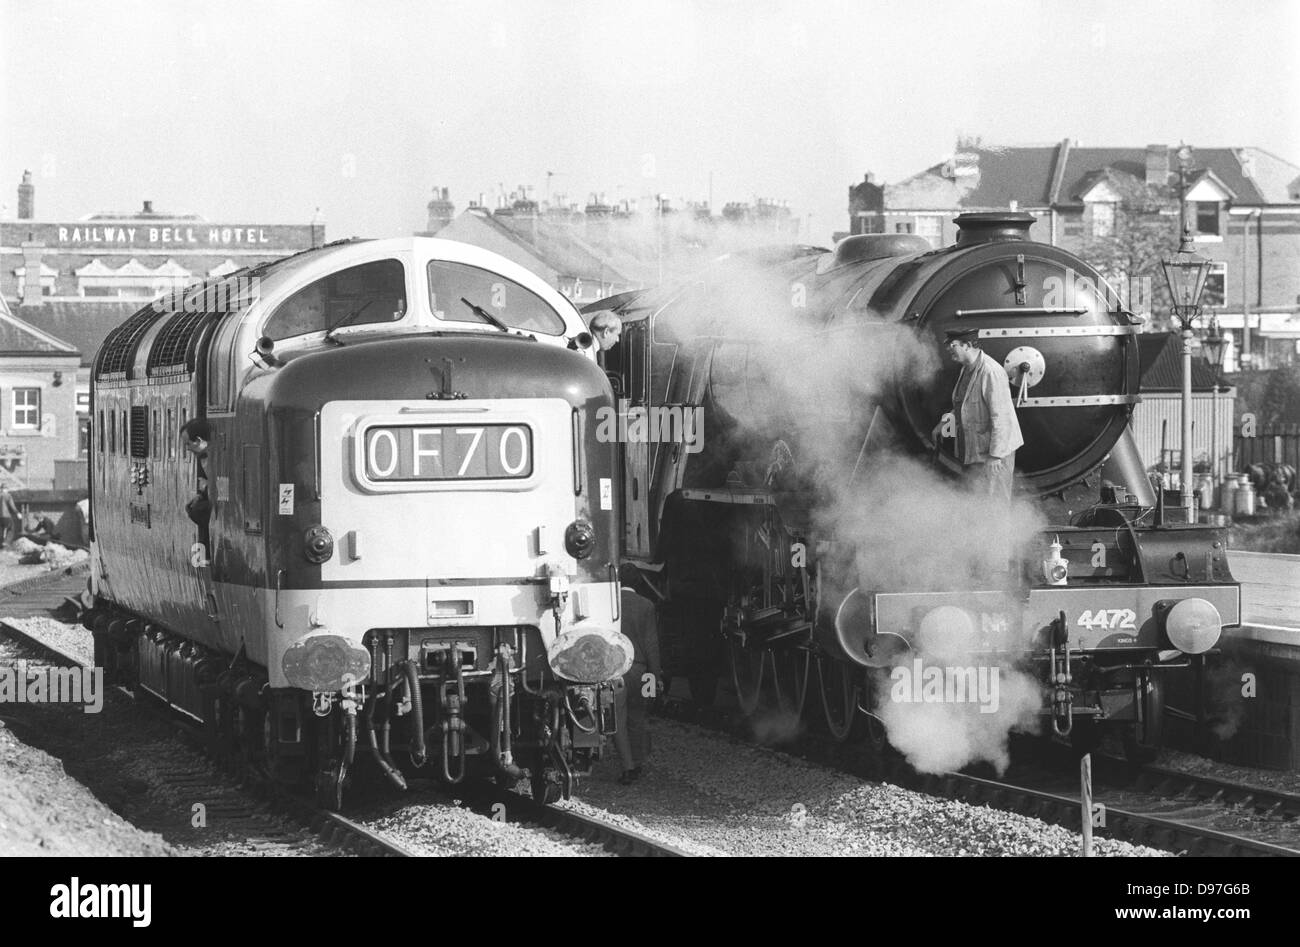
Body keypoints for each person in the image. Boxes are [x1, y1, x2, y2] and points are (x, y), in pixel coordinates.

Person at [934, 327, 1024, 499]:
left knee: (995, 505)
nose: (949, 349)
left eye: (952, 345)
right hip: (975, 450)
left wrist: (995, 456)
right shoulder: (966, 368)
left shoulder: (991, 372)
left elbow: (1002, 418)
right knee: (978, 503)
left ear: (967, 345)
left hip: (994, 454)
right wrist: (944, 423)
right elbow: (964, 405)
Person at [612, 563, 663, 785]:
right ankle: (640, 762)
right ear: (638, 583)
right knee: (640, 717)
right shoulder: (647, 605)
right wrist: (656, 678)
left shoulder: (608, 605)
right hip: (642, 672)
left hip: (615, 673)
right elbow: (652, 644)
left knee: (618, 721)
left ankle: (627, 768)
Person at [180, 418, 212, 529]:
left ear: (198, 441)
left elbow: (224, 492)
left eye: (188, 444)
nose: (187, 449)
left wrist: (206, 487)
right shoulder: (204, 458)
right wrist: (201, 496)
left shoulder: (217, 459)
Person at [0, 483, 19, 548]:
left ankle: (1, 544)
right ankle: (6, 542)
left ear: (1, 489)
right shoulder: (8, 496)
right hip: (6, 516)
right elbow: (12, 506)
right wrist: (17, 513)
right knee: (11, 528)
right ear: (7, 489)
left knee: (1, 530)